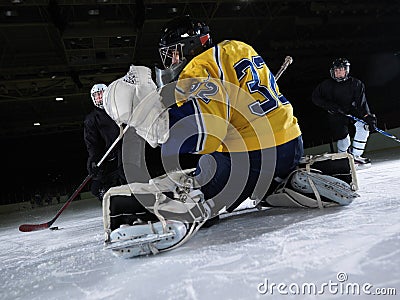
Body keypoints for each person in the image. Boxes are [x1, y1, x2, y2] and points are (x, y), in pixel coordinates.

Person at [104, 15, 304, 225]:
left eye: (173, 53)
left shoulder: (198, 67)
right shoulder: (238, 47)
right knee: (212, 159)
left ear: (188, 46)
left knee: (197, 184)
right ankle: (280, 181)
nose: (172, 61)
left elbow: (205, 136)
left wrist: (151, 122)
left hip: (254, 156)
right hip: (291, 142)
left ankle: (131, 210)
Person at [312, 58, 377, 165]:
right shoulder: (326, 85)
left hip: (351, 111)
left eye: (341, 69)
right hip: (336, 114)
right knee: (344, 140)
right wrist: (329, 105)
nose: (338, 72)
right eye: (336, 70)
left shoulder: (356, 84)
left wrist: (367, 116)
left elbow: (361, 103)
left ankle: (356, 156)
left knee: (364, 127)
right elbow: (315, 97)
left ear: (346, 70)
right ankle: (343, 158)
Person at [84, 83, 126, 201]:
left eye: (101, 94)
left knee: (125, 176)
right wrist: (94, 160)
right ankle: (111, 200)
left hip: (124, 153)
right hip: (107, 157)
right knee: (96, 188)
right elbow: (92, 143)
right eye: (96, 96)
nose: (99, 98)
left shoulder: (120, 110)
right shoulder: (91, 119)